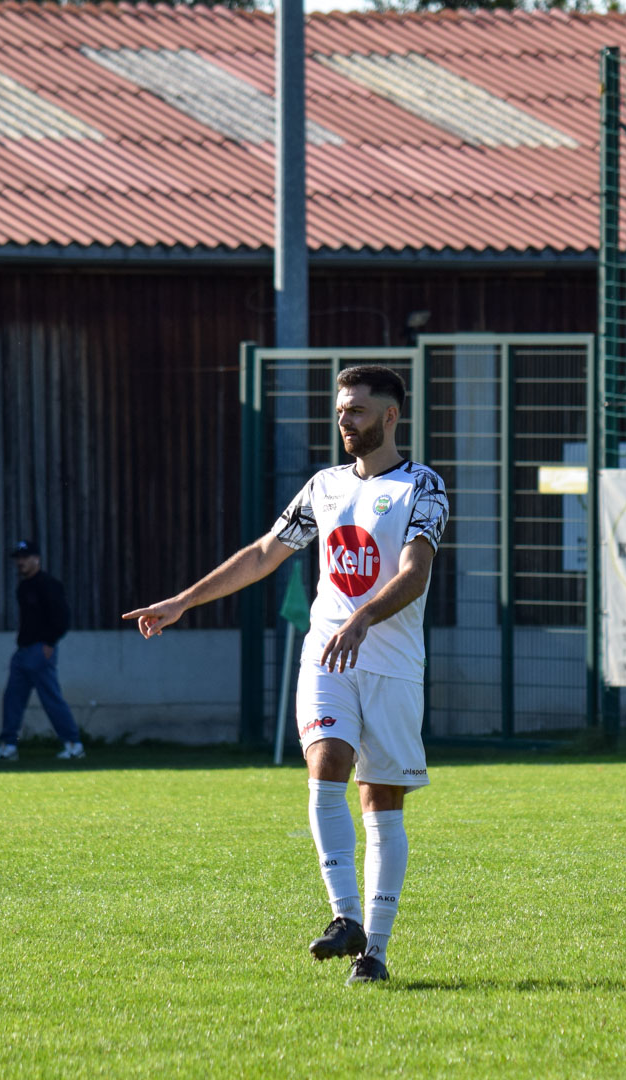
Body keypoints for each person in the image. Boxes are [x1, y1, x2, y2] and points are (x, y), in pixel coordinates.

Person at [124, 366, 448, 986]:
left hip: (392, 666)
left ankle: (374, 954)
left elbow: (415, 573)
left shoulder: (422, 486)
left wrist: (364, 618)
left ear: (390, 416)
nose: (344, 418)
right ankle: (345, 916)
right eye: (341, 408)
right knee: (326, 763)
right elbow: (263, 553)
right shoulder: (324, 486)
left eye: (357, 409)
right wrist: (183, 602)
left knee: (380, 801)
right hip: (327, 655)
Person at [0, 540, 86, 762]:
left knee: (51, 698)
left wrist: (49, 643)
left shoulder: (48, 584)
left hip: (40, 651)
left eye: (25, 557)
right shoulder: (24, 587)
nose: (21, 562)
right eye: (18, 558)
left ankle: (73, 744)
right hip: (23, 651)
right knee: (12, 698)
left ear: (37, 559)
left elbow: (62, 618)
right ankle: (8, 746)